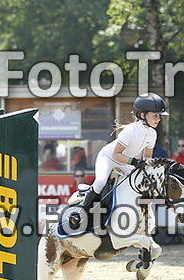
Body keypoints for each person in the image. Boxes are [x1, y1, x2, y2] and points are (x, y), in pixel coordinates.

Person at [69, 92, 168, 228]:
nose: (158, 119)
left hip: (125, 161)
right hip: (109, 158)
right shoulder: (129, 131)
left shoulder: (152, 133)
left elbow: (147, 156)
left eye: (159, 116)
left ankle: (140, 219)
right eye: (155, 115)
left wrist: (147, 167)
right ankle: (80, 212)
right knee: (100, 182)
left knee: (140, 184)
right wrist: (134, 162)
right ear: (142, 115)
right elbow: (116, 154)